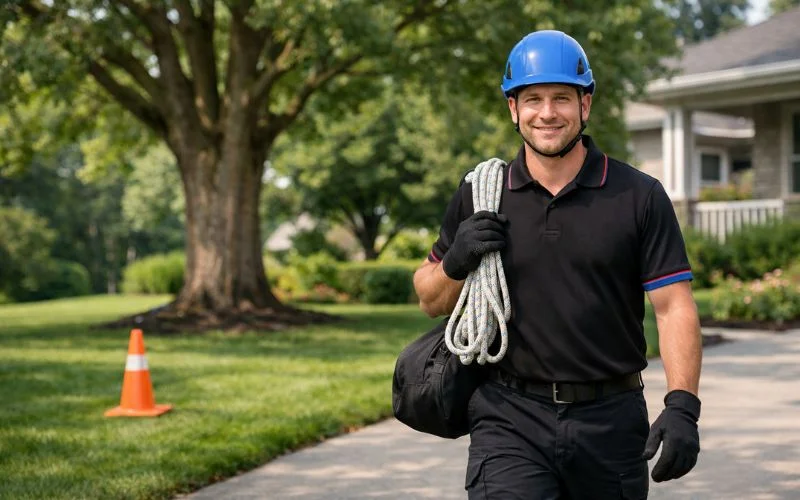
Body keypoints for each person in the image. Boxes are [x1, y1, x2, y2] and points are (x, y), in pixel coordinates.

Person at [413, 30, 702, 499]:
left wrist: (683, 404)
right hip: (508, 416)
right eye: (533, 99)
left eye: (562, 98)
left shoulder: (638, 195)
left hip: (610, 418)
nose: (547, 113)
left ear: (585, 104)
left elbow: (673, 307)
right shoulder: (481, 192)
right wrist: (456, 263)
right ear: (514, 109)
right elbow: (428, 298)